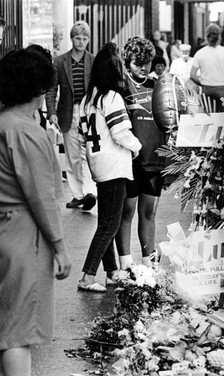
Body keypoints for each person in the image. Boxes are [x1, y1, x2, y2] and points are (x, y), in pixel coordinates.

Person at [0, 47, 71, 375]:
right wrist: (59, 247)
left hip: (4, 231)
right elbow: (41, 197)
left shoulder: (4, 123)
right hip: (24, 237)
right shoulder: (28, 132)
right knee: (18, 331)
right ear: (41, 90)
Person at [77, 42, 142, 292]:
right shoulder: (111, 97)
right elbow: (120, 132)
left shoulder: (86, 101)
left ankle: (112, 272)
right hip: (114, 165)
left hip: (97, 165)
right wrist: (137, 147)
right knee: (109, 224)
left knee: (108, 220)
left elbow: (82, 137)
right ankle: (87, 276)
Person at [116, 36, 164, 270]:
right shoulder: (121, 86)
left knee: (149, 212)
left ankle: (149, 263)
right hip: (129, 160)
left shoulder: (158, 86)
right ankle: (125, 264)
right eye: (138, 62)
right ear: (127, 62)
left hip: (155, 159)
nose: (144, 67)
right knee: (127, 212)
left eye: (147, 61)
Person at [46, 21, 97, 211]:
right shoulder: (60, 61)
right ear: (72, 38)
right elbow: (51, 90)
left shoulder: (93, 61)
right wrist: (51, 113)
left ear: (88, 40)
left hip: (89, 112)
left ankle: (91, 191)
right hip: (67, 113)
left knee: (91, 152)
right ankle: (78, 195)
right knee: (72, 156)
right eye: (78, 38)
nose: (81, 42)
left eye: (85, 38)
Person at [190, 23, 224, 112]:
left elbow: (192, 75)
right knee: (222, 117)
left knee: (208, 116)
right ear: (219, 36)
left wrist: (201, 83)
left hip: (206, 89)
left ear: (206, 36)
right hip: (222, 89)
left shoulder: (200, 53)